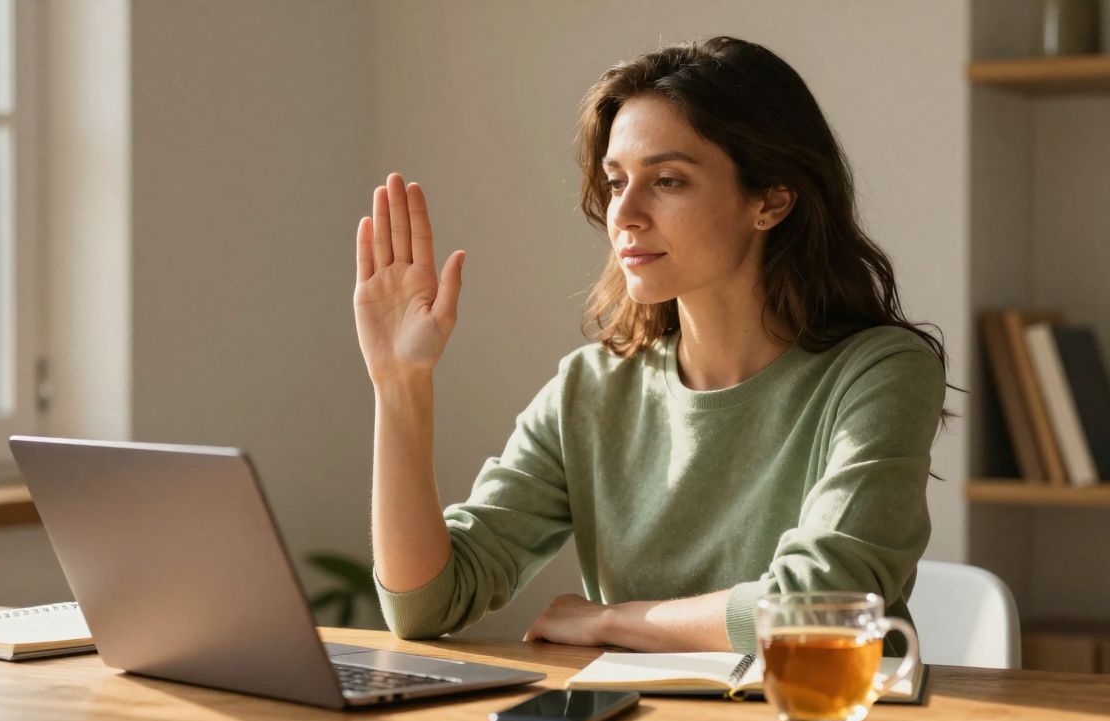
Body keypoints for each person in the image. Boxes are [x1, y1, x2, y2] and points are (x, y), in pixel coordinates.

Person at [351, 36, 947, 655]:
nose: (625, 214)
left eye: (667, 179)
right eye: (614, 182)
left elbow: (819, 610)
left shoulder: (880, 373)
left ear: (770, 198)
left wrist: (611, 622)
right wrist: (399, 383)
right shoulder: (591, 389)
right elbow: (425, 603)